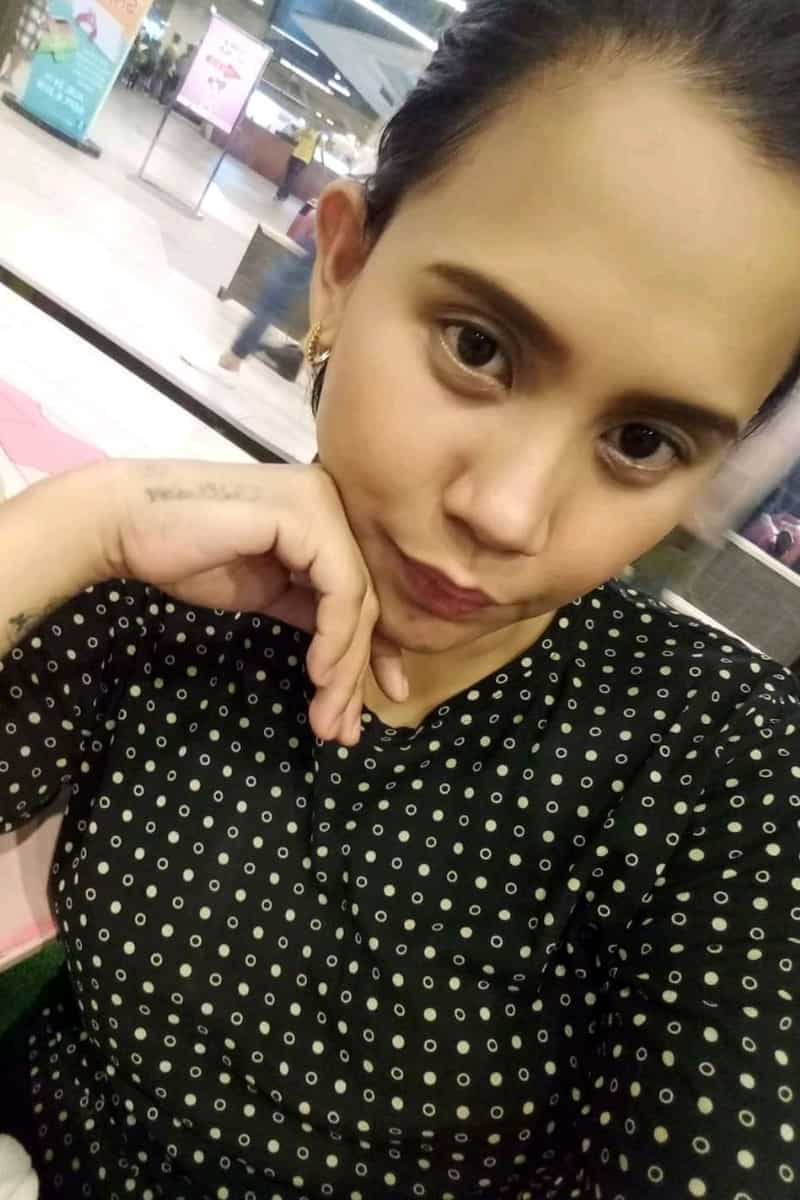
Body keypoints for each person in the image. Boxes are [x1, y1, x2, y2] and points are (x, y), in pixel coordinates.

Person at [1, 2, 800, 1196]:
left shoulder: (724, 778)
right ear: (340, 269)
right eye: (477, 347)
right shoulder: (172, 582)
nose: (507, 513)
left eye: (642, 441)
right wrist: (80, 525)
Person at [276, 124, 321, 201]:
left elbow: (316, 141)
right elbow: (295, 136)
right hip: (295, 154)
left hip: (304, 159)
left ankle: (281, 194)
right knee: (288, 175)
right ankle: (282, 194)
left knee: (291, 177)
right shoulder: (306, 129)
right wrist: (304, 130)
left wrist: (308, 130)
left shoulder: (319, 135)